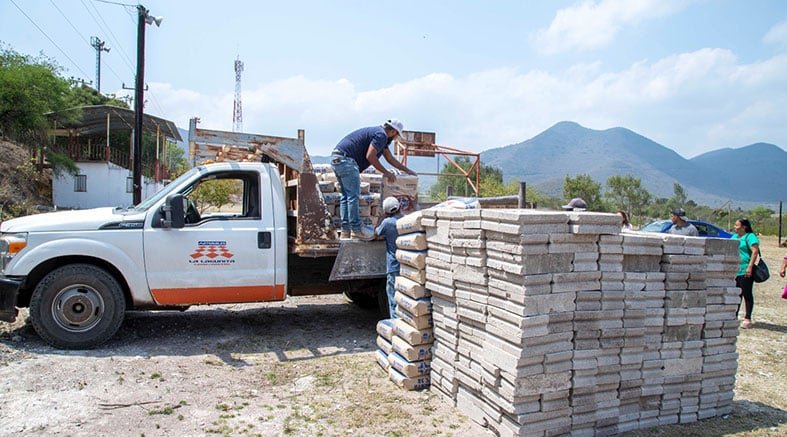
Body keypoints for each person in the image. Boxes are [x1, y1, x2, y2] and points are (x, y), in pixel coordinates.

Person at [331, 119, 416, 240]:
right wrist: (386, 173)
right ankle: (356, 230)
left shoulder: (380, 136)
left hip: (338, 159)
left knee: (346, 196)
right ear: (392, 131)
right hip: (347, 161)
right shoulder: (381, 135)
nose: (396, 139)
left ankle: (345, 231)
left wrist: (406, 169)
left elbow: (389, 158)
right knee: (352, 197)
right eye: (397, 135)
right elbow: (370, 156)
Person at [375, 197, 402, 318]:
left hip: (393, 266)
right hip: (406, 265)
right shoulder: (405, 221)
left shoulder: (387, 223)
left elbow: (377, 233)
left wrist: (380, 218)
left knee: (392, 297)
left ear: (386, 211)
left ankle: (395, 323)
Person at [732, 218, 759, 328]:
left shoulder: (750, 236)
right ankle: (734, 315)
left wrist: (750, 267)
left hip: (745, 269)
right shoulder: (734, 237)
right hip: (734, 270)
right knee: (735, 293)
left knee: (746, 293)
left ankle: (747, 318)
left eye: (737, 225)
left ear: (744, 227)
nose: (735, 227)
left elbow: (755, 251)